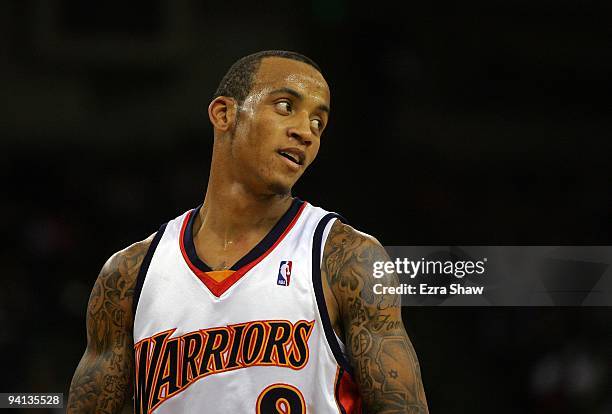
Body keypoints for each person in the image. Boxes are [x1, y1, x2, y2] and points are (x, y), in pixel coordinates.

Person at [67, 50, 429, 413]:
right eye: (286, 106)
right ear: (224, 114)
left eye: (318, 123)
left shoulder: (345, 257)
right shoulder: (129, 274)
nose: (305, 132)